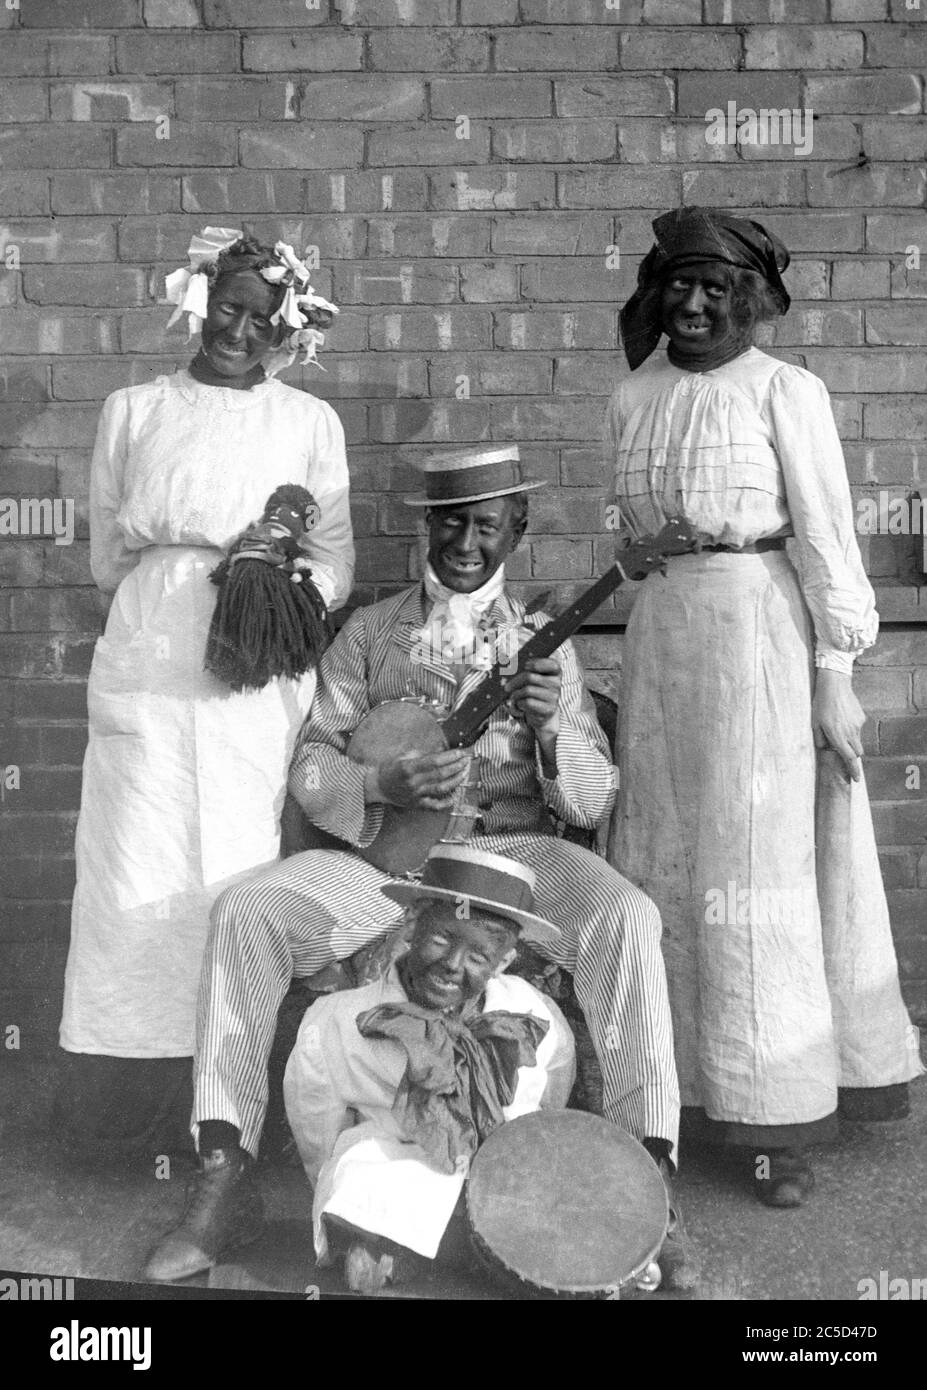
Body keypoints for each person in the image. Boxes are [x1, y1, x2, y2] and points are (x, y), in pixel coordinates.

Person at [143, 445, 692, 1289]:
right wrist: (376, 780)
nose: (464, 542)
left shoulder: (544, 644)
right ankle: (225, 1174)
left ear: (517, 529)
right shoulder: (369, 631)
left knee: (628, 916)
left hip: (514, 852)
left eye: (484, 525)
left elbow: (587, 800)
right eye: (449, 522)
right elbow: (314, 760)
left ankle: (648, 1190)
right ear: (425, 526)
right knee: (248, 911)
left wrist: (553, 732)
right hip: (388, 859)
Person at [605, 205, 923, 1208]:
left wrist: (837, 674)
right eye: (680, 286)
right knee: (661, 857)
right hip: (662, 643)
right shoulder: (632, 397)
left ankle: (774, 1115)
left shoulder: (787, 390)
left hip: (759, 639)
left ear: (749, 299)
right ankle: (678, 1098)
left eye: (717, 288)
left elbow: (829, 537)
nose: (694, 305)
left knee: (756, 864)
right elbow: (624, 537)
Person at [57, 228, 355, 1157]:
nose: (239, 330)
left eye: (263, 319)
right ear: (199, 300)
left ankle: (223, 1110)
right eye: (227, 307)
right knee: (130, 868)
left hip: (249, 681)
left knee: (233, 860)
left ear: (288, 331)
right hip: (150, 662)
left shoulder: (308, 424)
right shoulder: (133, 409)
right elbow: (111, 554)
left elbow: (335, 560)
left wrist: (270, 599)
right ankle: (121, 1107)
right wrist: (176, 601)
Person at [283, 845, 576, 1295]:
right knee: (363, 1175)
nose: (453, 965)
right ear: (413, 925)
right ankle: (407, 1244)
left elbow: (553, 1088)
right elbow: (316, 1125)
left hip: (499, 1176)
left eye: (479, 957)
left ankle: (449, 1248)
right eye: (441, 939)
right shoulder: (338, 1020)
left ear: (503, 962)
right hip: (399, 1165)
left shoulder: (528, 1012)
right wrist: (332, 1190)